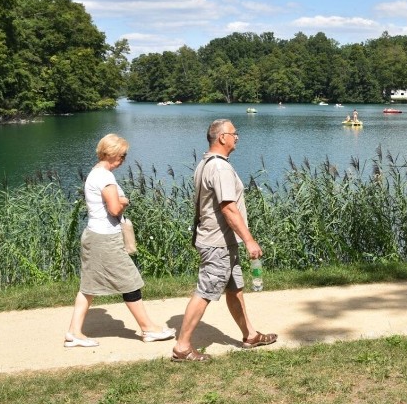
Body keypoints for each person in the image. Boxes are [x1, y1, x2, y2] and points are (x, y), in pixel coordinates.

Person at [171, 119, 277, 362]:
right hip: (217, 242)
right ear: (221, 138)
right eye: (233, 133)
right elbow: (228, 208)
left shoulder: (206, 163)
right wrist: (249, 240)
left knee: (234, 288)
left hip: (221, 241)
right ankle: (182, 347)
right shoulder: (220, 168)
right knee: (205, 291)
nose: (237, 137)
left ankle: (250, 335)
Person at [65, 134, 175, 347]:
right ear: (112, 153)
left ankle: (74, 333)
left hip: (94, 235)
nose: (124, 159)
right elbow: (114, 208)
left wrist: (119, 199)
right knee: (130, 282)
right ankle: (148, 329)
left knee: (88, 287)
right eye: (123, 155)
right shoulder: (105, 177)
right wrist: (124, 200)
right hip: (105, 239)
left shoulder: (95, 174)